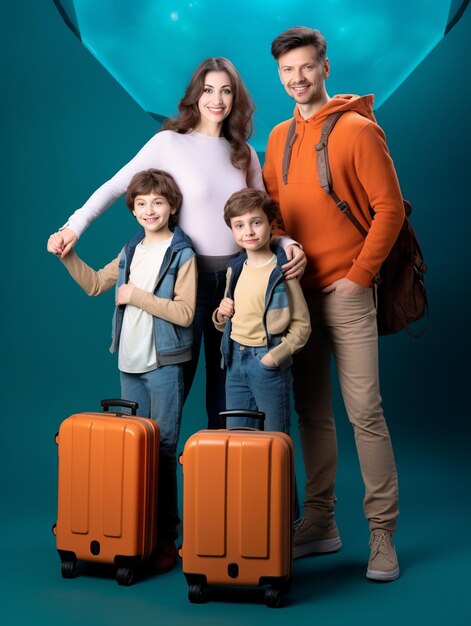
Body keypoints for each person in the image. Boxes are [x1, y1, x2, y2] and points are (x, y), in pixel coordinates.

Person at [47, 57, 306, 429]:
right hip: (184, 279)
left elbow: (264, 214)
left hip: (237, 280)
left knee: (229, 391)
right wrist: (74, 227)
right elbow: (115, 186)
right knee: (171, 389)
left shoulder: (243, 152)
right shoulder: (168, 143)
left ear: (236, 98)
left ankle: (224, 479)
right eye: (208, 90)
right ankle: (155, 476)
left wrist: (288, 242)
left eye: (226, 91)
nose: (217, 99)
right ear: (195, 96)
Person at [263, 26, 405, 581]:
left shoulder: (357, 130)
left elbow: (389, 209)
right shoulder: (277, 137)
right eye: (286, 72)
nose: (296, 79)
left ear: (325, 66)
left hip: (347, 293)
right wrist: (283, 241)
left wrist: (358, 277)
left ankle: (382, 535)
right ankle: (320, 523)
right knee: (311, 413)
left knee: (364, 413)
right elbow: (272, 208)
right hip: (296, 294)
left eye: (305, 67)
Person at [48, 169, 197, 574]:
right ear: (132, 210)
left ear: (172, 207)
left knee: (164, 451)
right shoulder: (131, 251)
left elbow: (185, 312)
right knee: (133, 450)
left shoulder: (183, 254)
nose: (150, 210)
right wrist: (68, 257)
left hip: (164, 364)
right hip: (128, 363)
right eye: (142, 203)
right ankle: (136, 530)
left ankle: (167, 537)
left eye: (158, 202)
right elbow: (96, 284)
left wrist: (139, 297)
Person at [213, 188, 311, 432]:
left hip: (267, 361)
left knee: (275, 440)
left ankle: (279, 473)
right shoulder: (233, 270)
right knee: (236, 438)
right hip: (235, 360)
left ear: (272, 224)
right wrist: (220, 314)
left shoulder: (283, 272)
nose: (248, 231)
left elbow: (302, 326)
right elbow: (226, 321)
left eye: (256, 222)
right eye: (239, 225)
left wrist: (273, 358)